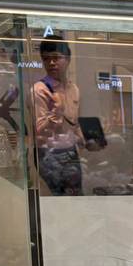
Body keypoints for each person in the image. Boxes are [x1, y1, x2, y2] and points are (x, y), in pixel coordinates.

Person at [31, 36, 88, 196]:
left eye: (56, 58)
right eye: (46, 59)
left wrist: (84, 140)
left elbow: (74, 123)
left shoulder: (73, 89)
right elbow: (39, 131)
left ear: (67, 59)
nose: (51, 63)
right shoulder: (40, 90)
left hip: (70, 151)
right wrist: (55, 115)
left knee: (76, 199)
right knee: (59, 200)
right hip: (48, 153)